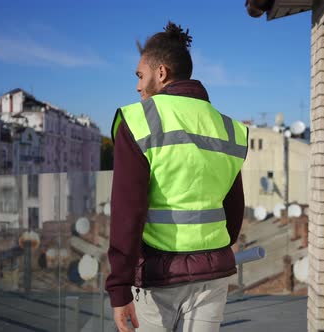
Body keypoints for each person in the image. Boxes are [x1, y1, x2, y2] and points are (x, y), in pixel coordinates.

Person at [106, 21, 248, 332]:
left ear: (161, 73)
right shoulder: (229, 128)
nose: (138, 86)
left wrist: (119, 288)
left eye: (141, 76)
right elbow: (234, 209)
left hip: (159, 279)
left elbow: (127, 213)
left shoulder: (139, 121)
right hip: (213, 277)